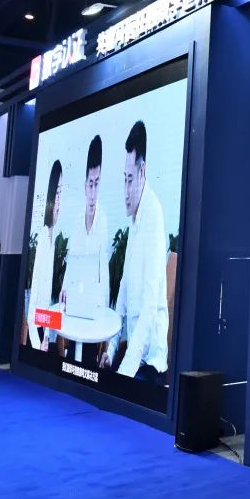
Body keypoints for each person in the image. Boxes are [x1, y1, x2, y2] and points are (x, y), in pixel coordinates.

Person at [100, 121, 169, 384]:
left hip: (150, 360)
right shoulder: (135, 220)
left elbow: (150, 305)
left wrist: (126, 369)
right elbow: (124, 290)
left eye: (130, 180)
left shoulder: (154, 215)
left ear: (143, 171)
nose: (125, 192)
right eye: (124, 180)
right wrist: (111, 351)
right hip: (133, 355)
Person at [60, 136, 110, 360]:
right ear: (84, 185)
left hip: (93, 304)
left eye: (97, 183)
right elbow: (71, 260)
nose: (93, 190)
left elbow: (103, 269)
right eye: (90, 183)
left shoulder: (103, 220)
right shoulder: (77, 219)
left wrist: (103, 307)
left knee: (88, 357)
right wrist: (64, 288)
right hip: (75, 301)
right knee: (72, 353)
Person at [27, 160, 62, 352]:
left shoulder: (53, 238)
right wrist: (37, 342)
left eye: (61, 194)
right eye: (57, 194)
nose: (59, 202)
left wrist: (48, 335)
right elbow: (34, 300)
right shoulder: (42, 237)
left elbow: (49, 302)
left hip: (46, 330)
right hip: (37, 331)